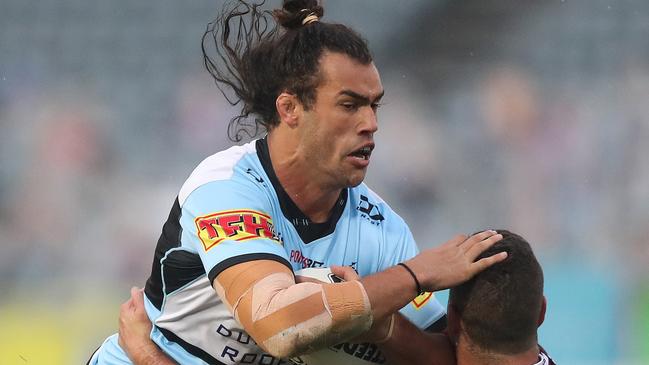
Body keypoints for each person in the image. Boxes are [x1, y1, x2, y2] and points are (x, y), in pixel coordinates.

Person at [87, 0, 507, 364]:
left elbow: (442, 360)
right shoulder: (227, 186)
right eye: (349, 105)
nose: (371, 124)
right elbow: (278, 325)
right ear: (289, 108)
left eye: (374, 105)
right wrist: (414, 275)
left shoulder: (382, 230)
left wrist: (378, 322)